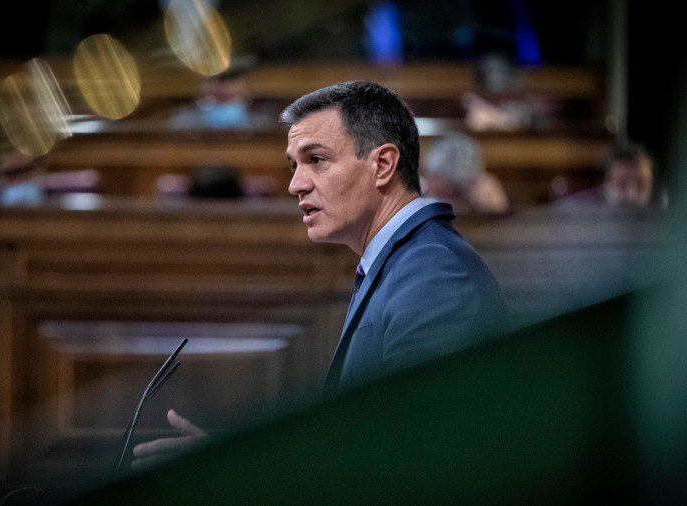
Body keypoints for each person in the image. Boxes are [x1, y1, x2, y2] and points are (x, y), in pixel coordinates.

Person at [132, 80, 507, 468]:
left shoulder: (433, 273)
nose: (295, 184)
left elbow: (416, 455)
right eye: (294, 165)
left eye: (316, 160)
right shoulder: (406, 260)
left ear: (382, 165)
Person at [421, 131, 511, 215]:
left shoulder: (478, 188)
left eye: (455, 188)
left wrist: (494, 206)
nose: (448, 192)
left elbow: (502, 219)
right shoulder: (419, 191)